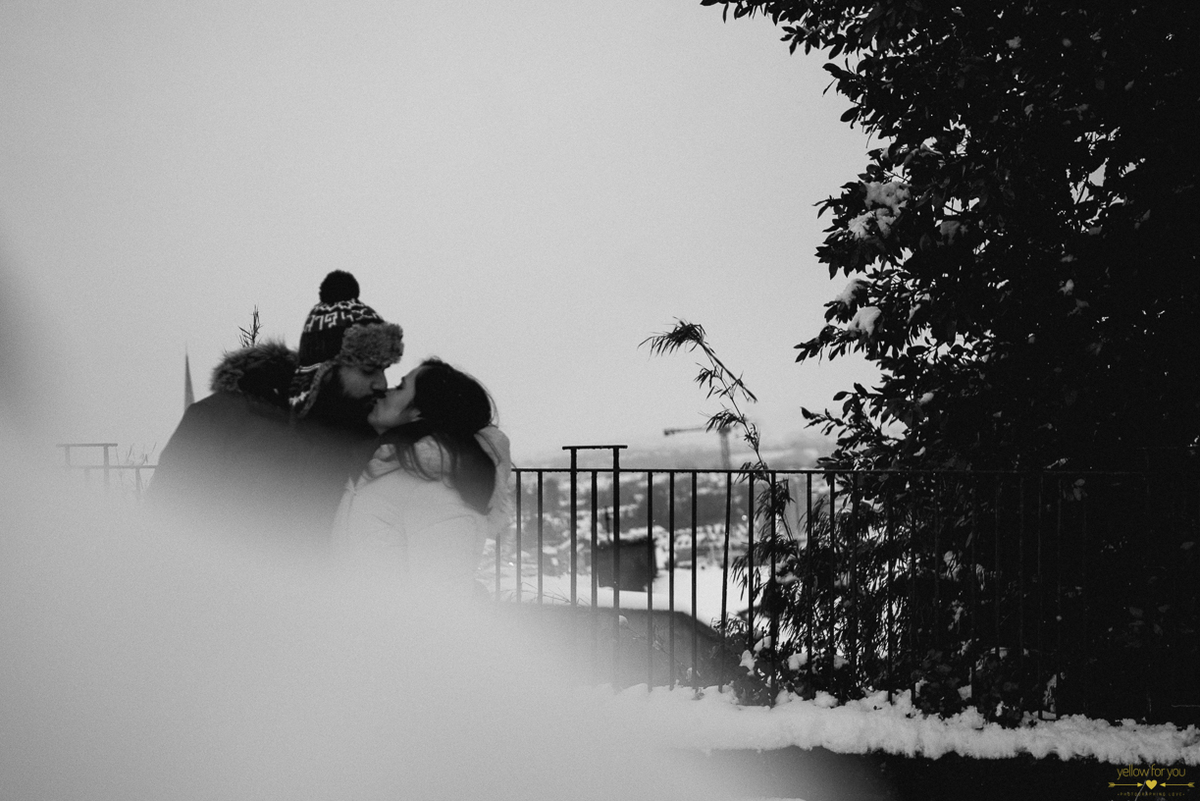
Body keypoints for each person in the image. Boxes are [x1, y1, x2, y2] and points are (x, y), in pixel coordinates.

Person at [149, 270, 404, 545]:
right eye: (369, 370)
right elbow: (160, 529)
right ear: (324, 371)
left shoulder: (371, 445)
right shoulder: (221, 420)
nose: (382, 383)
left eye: (384, 370)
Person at [333, 358, 511, 594]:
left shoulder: (438, 484)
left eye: (400, 387)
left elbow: (445, 600)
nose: (385, 391)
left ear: (420, 410)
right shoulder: (380, 468)